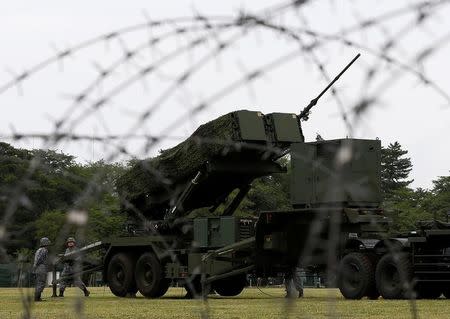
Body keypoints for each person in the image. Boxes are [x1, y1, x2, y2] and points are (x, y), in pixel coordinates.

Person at [33, 237, 51, 302]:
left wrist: (34, 267)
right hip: (41, 267)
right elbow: (39, 259)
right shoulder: (44, 250)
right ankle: (37, 298)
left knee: (38, 282)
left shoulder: (39, 250)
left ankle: (38, 297)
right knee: (41, 282)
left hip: (37, 267)